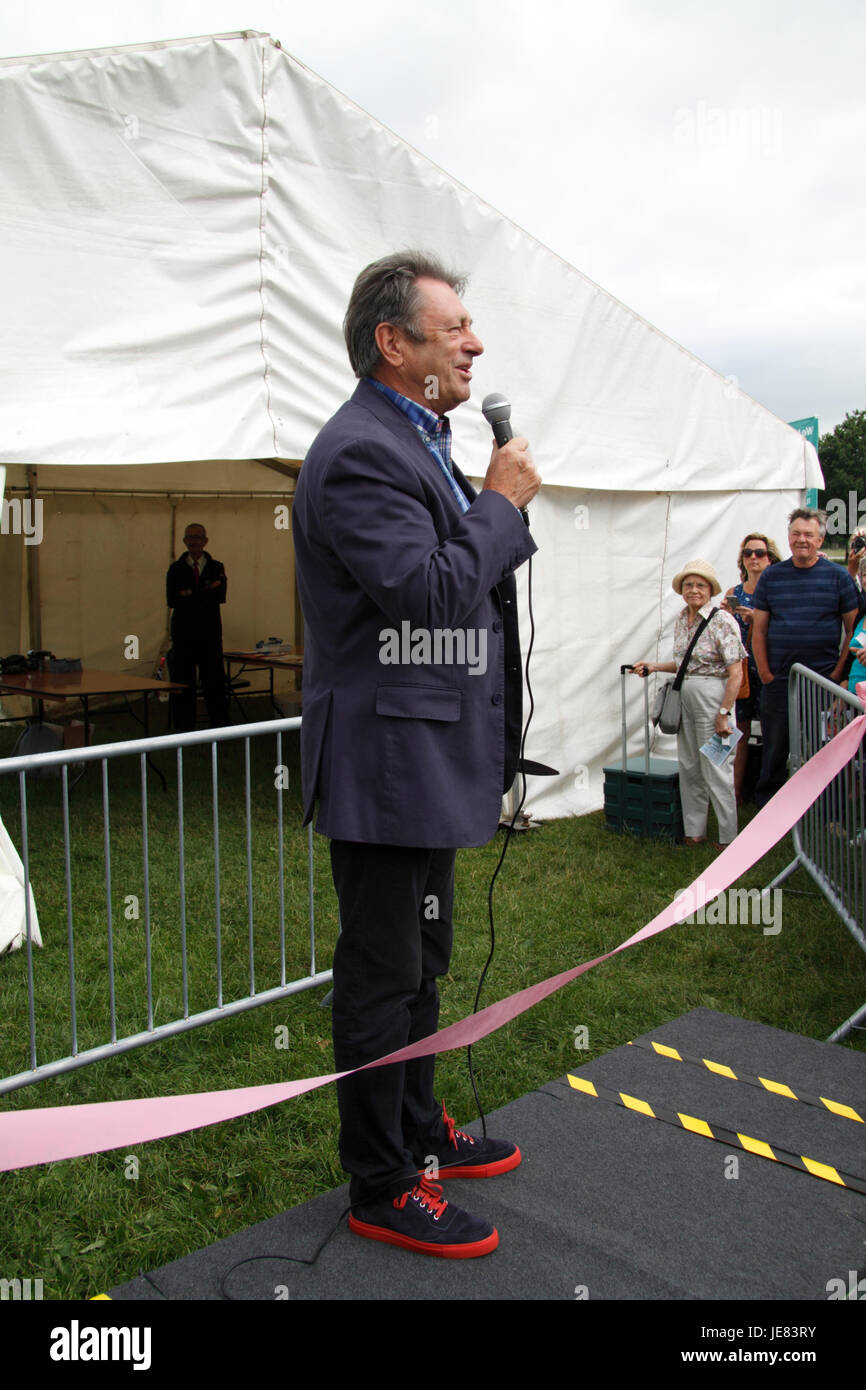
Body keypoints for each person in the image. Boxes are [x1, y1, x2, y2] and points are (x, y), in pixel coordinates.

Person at [291, 250, 540, 1258]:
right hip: (386, 765)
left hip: (427, 754)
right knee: (383, 971)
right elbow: (428, 595)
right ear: (394, 344)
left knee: (421, 961)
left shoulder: (413, 436)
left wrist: (486, 505)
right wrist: (501, 504)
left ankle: (416, 1122)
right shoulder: (358, 451)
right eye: (454, 328)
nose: (473, 342)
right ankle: (382, 1179)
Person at [751, 509, 859, 808]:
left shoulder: (838, 577)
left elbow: (853, 631)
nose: (802, 540)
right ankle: (768, 811)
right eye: (796, 534)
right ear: (788, 538)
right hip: (779, 682)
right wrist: (765, 673)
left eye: (809, 535)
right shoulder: (772, 576)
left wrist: (837, 675)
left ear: (820, 538)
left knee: (825, 749)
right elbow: (759, 631)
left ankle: (829, 814)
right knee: (774, 750)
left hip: (823, 684)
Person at [633, 560, 744, 848]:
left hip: (714, 697)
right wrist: (655, 667)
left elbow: (736, 672)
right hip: (687, 696)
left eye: (700, 585)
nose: (694, 590)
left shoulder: (723, 620)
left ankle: (728, 837)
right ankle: (695, 831)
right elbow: (686, 664)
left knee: (717, 766)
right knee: (690, 764)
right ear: (682, 590)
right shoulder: (682, 618)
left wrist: (724, 713)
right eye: (689, 585)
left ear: (711, 590)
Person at [721, 533, 782, 803]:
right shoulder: (734, 593)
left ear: (771, 558)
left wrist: (755, 617)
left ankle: (769, 795)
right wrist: (725, 614)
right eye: (748, 553)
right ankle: (733, 795)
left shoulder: (778, 590)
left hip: (768, 666)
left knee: (773, 734)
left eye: (759, 553)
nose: (753, 558)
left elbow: (783, 625)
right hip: (742, 671)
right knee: (739, 732)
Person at [165, 523, 228, 731]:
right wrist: (204, 591)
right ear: (184, 541)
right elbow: (172, 600)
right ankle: (184, 729)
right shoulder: (176, 568)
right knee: (184, 683)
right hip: (183, 634)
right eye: (189, 538)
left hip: (209, 634)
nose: (193, 542)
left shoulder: (216, 566)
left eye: (197, 537)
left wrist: (190, 594)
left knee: (214, 682)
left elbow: (219, 596)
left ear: (205, 541)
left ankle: (219, 728)